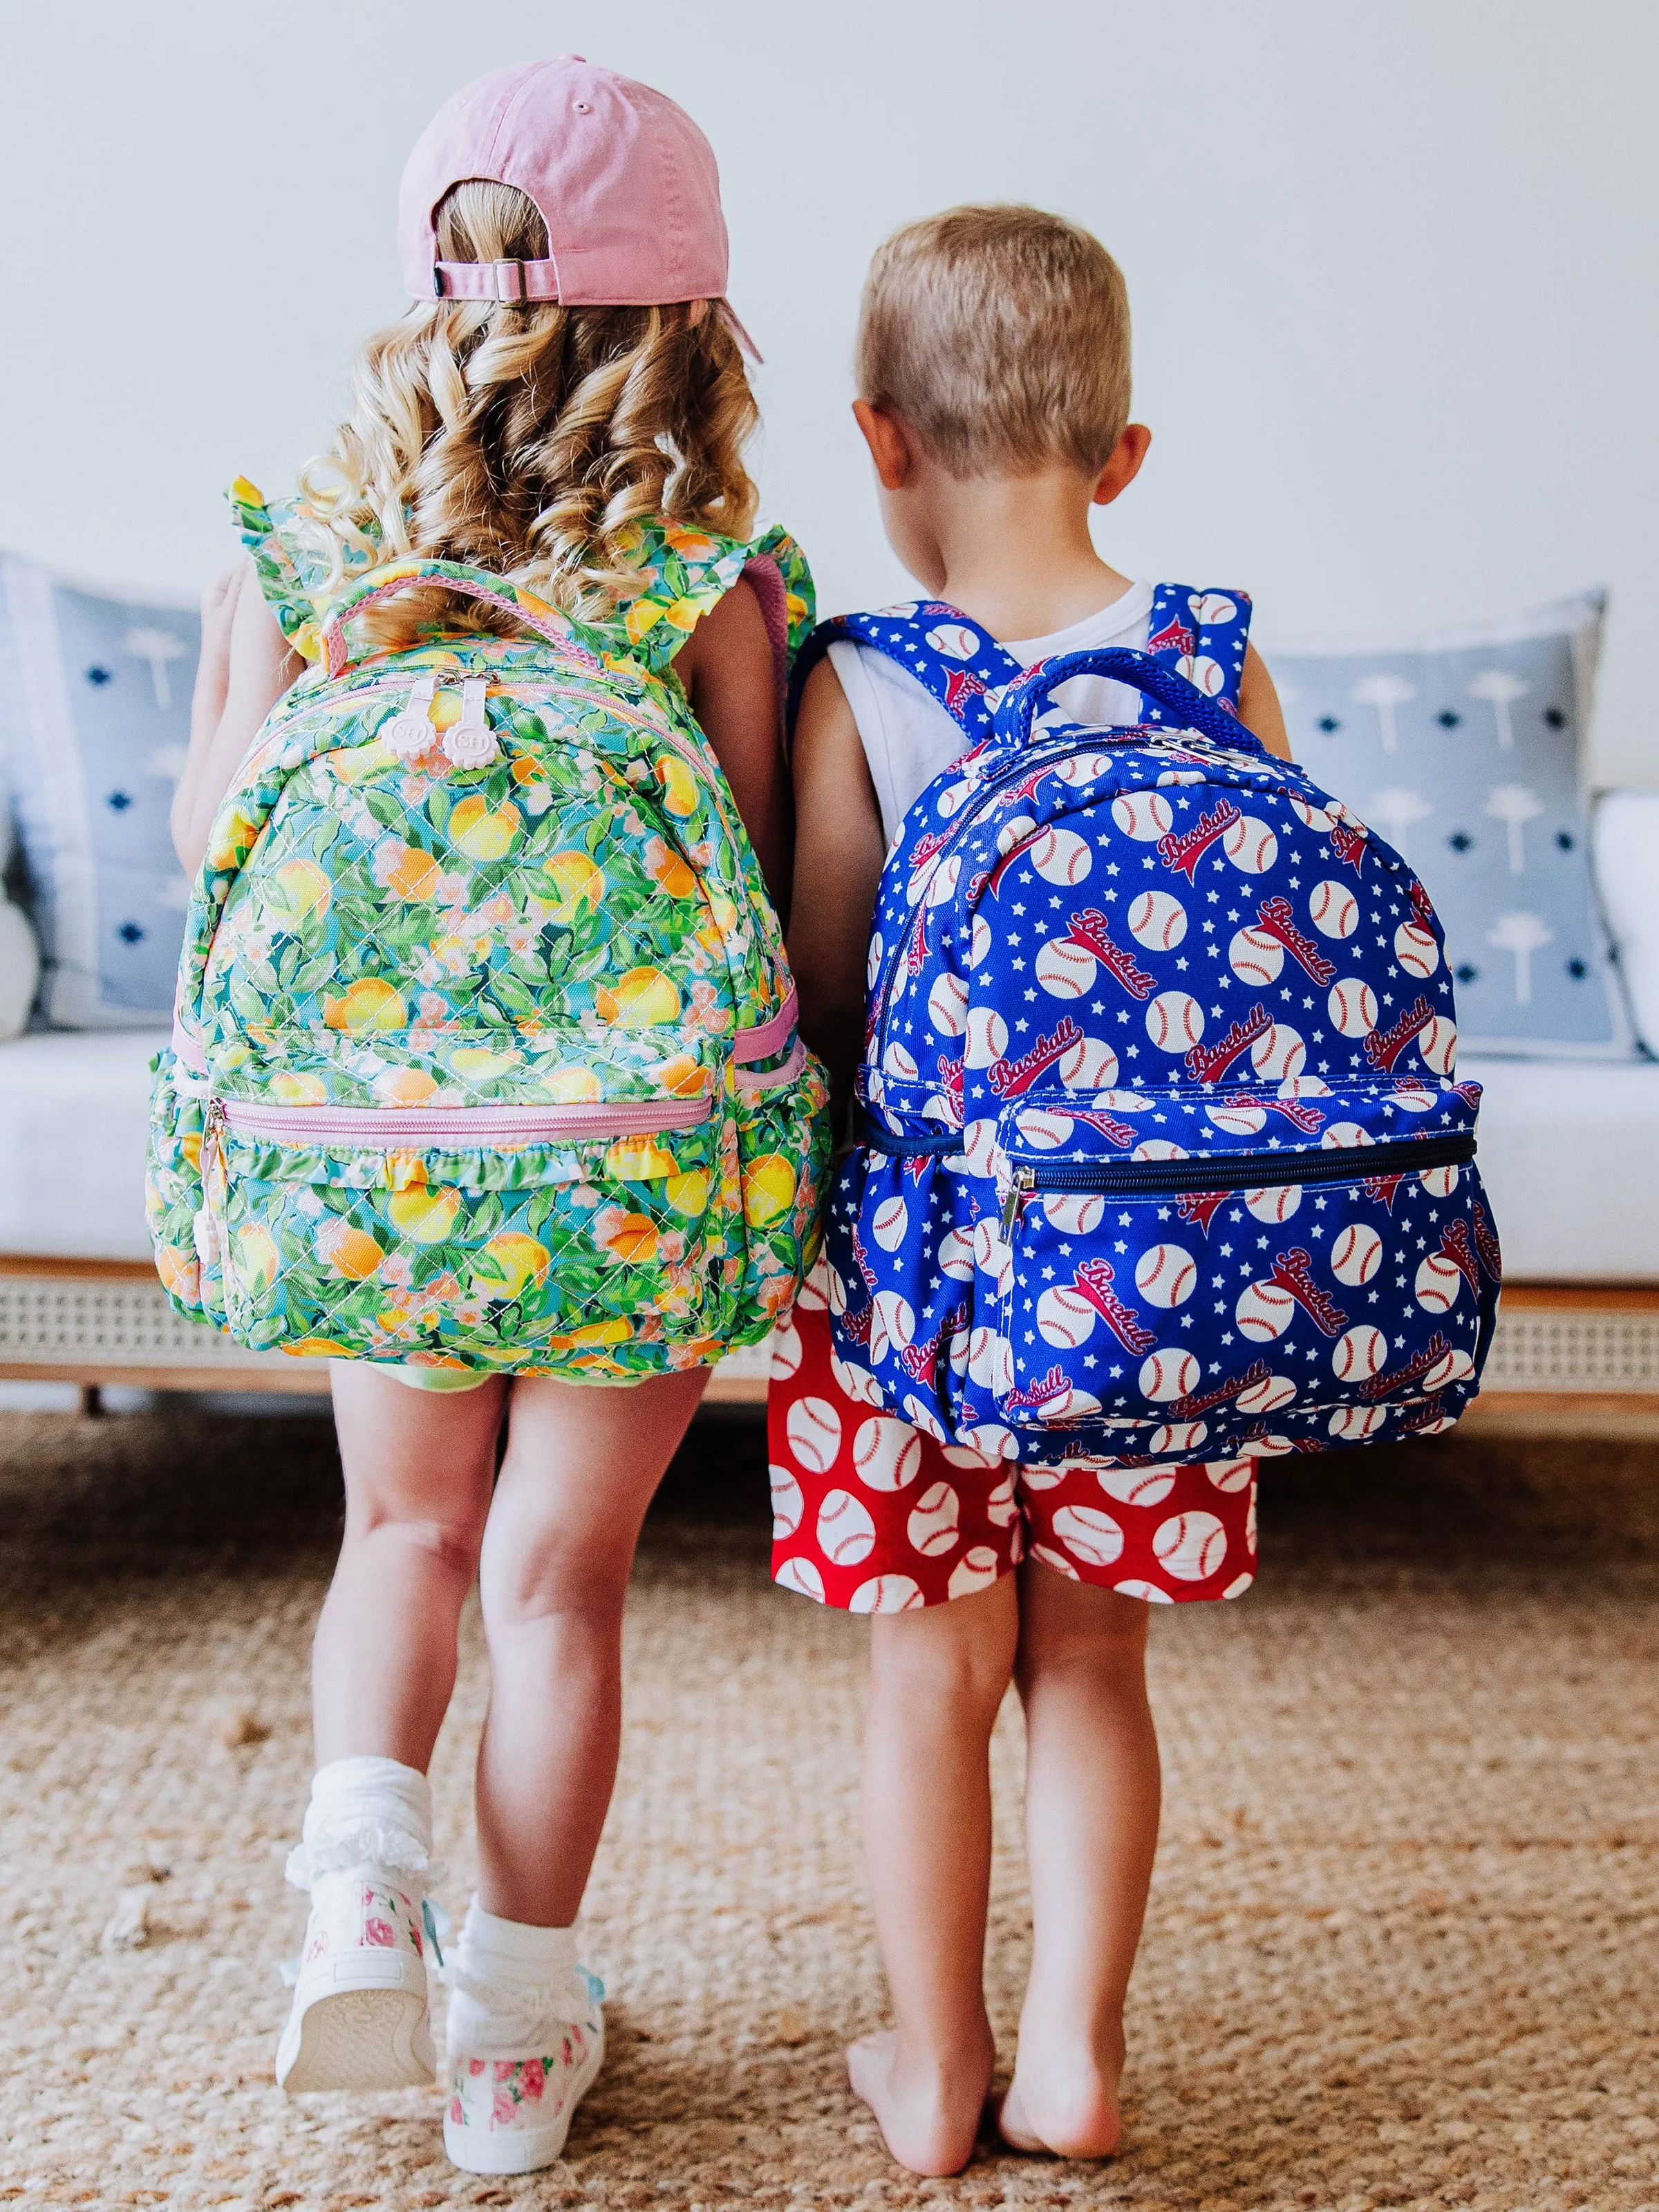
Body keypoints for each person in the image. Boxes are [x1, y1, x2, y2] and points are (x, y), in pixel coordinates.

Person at [173, 58, 814, 2178]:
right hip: (627, 1167)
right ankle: (515, 2043)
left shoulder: (301, 541)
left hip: (379, 1161)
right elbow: (758, 883)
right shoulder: (718, 573)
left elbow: (210, 843)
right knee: (557, 1587)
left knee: (404, 1537)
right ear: (691, 319)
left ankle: (362, 1874)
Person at [778, 205, 1292, 2177]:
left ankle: (932, 2067)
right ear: (1125, 452)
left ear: (879, 438)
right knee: (1093, 1660)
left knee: (934, 1668)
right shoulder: (1218, 659)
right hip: (1169, 1272)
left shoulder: (863, 687)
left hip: (914, 1284)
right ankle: (1074, 2060)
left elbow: (825, 999)